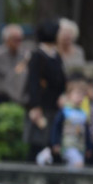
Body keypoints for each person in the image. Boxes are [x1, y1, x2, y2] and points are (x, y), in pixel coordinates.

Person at [23, 19, 67, 163]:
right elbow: (33, 82)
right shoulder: (37, 55)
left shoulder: (56, 55)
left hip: (55, 105)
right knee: (38, 144)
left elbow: (61, 79)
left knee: (53, 142)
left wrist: (63, 95)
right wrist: (35, 106)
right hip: (41, 106)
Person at [0, 23, 32, 105]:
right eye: (15, 40)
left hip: (19, 99)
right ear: (6, 39)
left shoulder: (25, 55)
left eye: (20, 39)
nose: (18, 43)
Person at [50, 81, 93, 169]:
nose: (79, 97)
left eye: (82, 95)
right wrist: (55, 143)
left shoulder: (83, 114)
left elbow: (87, 132)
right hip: (68, 145)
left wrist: (89, 146)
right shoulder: (65, 111)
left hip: (80, 146)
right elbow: (56, 127)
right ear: (69, 95)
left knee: (71, 167)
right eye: (77, 94)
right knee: (78, 163)